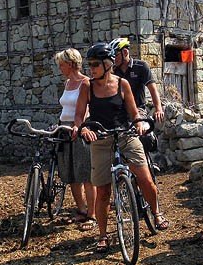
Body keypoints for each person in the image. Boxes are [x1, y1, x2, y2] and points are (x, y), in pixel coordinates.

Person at [73, 42, 167, 253]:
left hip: (125, 135)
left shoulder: (122, 84)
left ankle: (157, 212)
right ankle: (103, 235)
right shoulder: (87, 87)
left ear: (107, 64)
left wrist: (140, 123)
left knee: (145, 179)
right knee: (103, 190)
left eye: (95, 64)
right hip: (101, 138)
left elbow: (133, 113)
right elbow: (79, 116)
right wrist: (83, 130)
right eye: (90, 65)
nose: (91, 68)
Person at [54, 48, 96, 231]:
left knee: (85, 172)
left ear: (70, 64)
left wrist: (81, 126)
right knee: (71, 172)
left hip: (80, 128)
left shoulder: (86, 83)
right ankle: (81, 209)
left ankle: (92, 214)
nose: (60, 68)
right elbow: (66, 108)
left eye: (61, 64)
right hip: (64, 128)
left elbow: (89, 108)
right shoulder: (67, 83)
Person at [109, 37, 166, 123]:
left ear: (125, 52)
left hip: (138, 109)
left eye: (116, 55)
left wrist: (158, 109)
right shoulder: (113, 71)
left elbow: (153, 89)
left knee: (142, 129)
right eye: (112, 56)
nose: (113, 59)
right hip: (119, 111)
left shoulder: (141, 66)